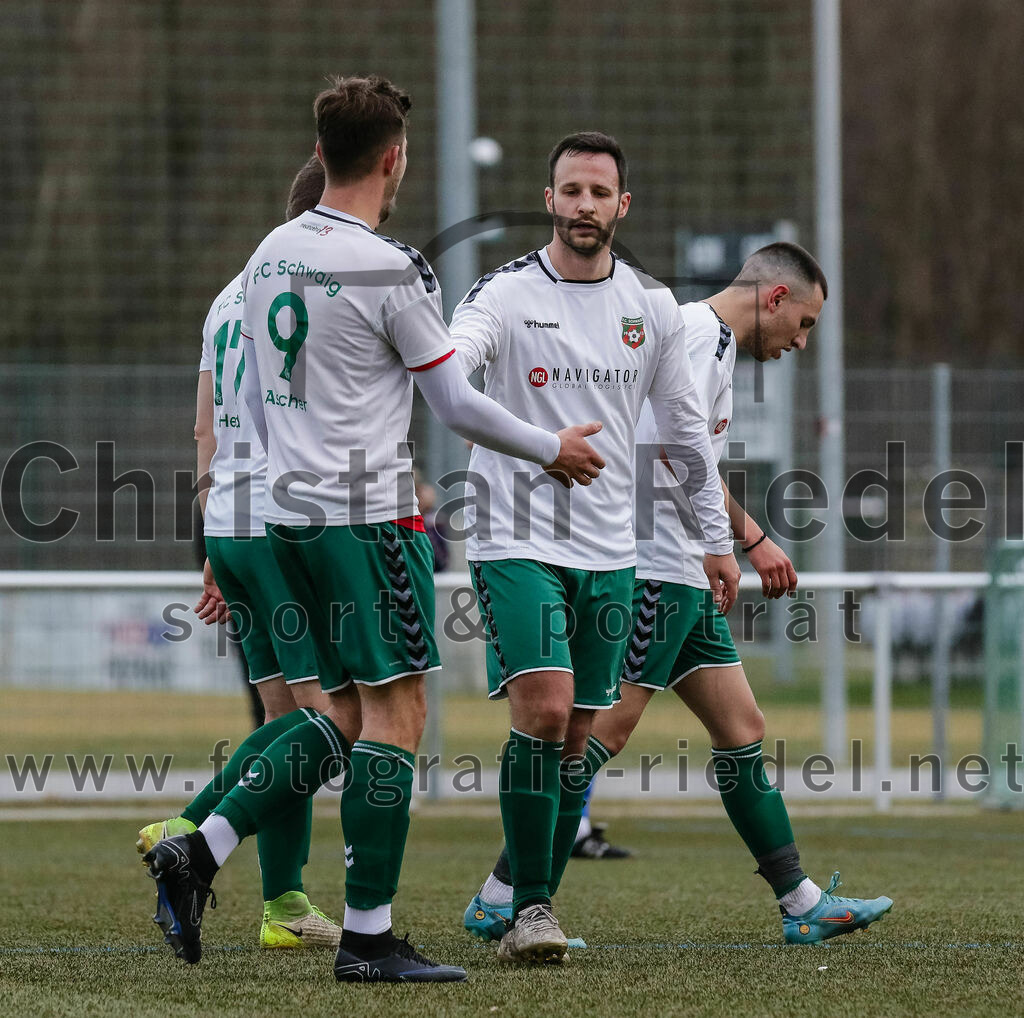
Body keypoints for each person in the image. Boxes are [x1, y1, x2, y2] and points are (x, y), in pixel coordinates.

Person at [142, 75, 604, 983]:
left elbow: (240, 409)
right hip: (367, 517)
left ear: (321, 155)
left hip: (285, 516)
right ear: (394, 157)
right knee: (398, 714)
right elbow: (457, 404)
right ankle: (368, 937)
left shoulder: (269, 253)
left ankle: (202, 845)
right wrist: (552, 446)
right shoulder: (391, 266)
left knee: (339, 716)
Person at [466, 242, 894, 947]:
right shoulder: (694, 335)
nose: (803, 340)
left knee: (741, 729)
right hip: (655, 569)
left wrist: (723, 548)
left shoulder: (714, 343)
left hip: (686, 573)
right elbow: (668, 452)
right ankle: (505, 894)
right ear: (776, 298)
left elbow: (691, 454)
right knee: (598, 734)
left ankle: (800, 900)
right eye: (807, 322)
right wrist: (745, 540)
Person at [450, 131, 740, 964]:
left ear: (623, 205)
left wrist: (716, 543)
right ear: (549, 200)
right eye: (569, 190)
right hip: (514, 536)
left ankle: (515, 899)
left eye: (598, 192)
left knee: (576, 737)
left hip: (612, 551)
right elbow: (452, 375)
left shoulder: (648, 305)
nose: (584, 206)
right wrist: (544, 445)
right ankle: (531, 910)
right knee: (541, 709)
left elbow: (686, 432)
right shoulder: (503, 295)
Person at [137, 156, 352, 953]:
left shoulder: (229, 294)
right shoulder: (311, 286)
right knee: (332, 722)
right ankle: (190, 831)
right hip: (289, 520)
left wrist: (211, 542)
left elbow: (205, 427)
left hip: (229, 518)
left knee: (280, 718)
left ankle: (284, 904)